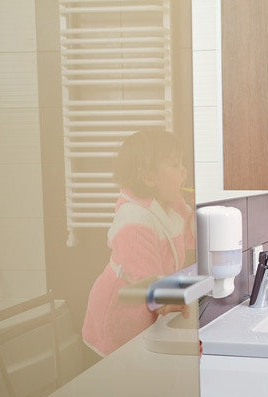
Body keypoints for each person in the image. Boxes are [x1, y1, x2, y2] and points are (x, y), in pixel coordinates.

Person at [82, 129, 195, 357]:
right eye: (174, 165)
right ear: (149, 178)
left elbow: (191, 238)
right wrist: (185, 300)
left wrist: (201, 208)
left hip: (146, 308)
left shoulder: (169, 205)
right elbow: (149, 284)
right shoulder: (133, 221)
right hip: (120, 317)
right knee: (124, 377)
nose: (184, 171)